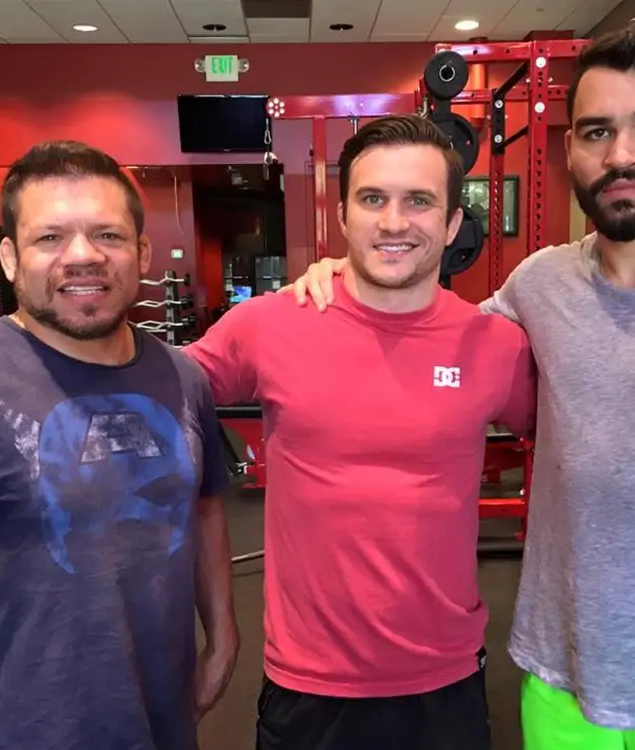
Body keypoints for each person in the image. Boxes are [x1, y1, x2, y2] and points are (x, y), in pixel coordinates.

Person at [287, 18, 635, 750]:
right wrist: (354, 280)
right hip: (562, 677)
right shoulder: (540, 284)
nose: (621, 155)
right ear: (571, 146)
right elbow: (429, 336)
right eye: (595, 131)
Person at [184, 114, 536, 750]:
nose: (394, 222)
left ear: (454, 223)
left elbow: (589, 438)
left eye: (419, 201)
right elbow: (149, 395)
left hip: (444, 680)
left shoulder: (497, 345)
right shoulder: (267, 325)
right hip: (310, 686)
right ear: (342, 217)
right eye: (373, 199)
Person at [0, 141, 238, 750]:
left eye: (108, 236)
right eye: (50, 238)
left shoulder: (181, 375)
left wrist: (223, 640)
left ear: (141, 252)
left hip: (162, 720)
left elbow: (205, 504)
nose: (83, 256)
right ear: (9, 257)